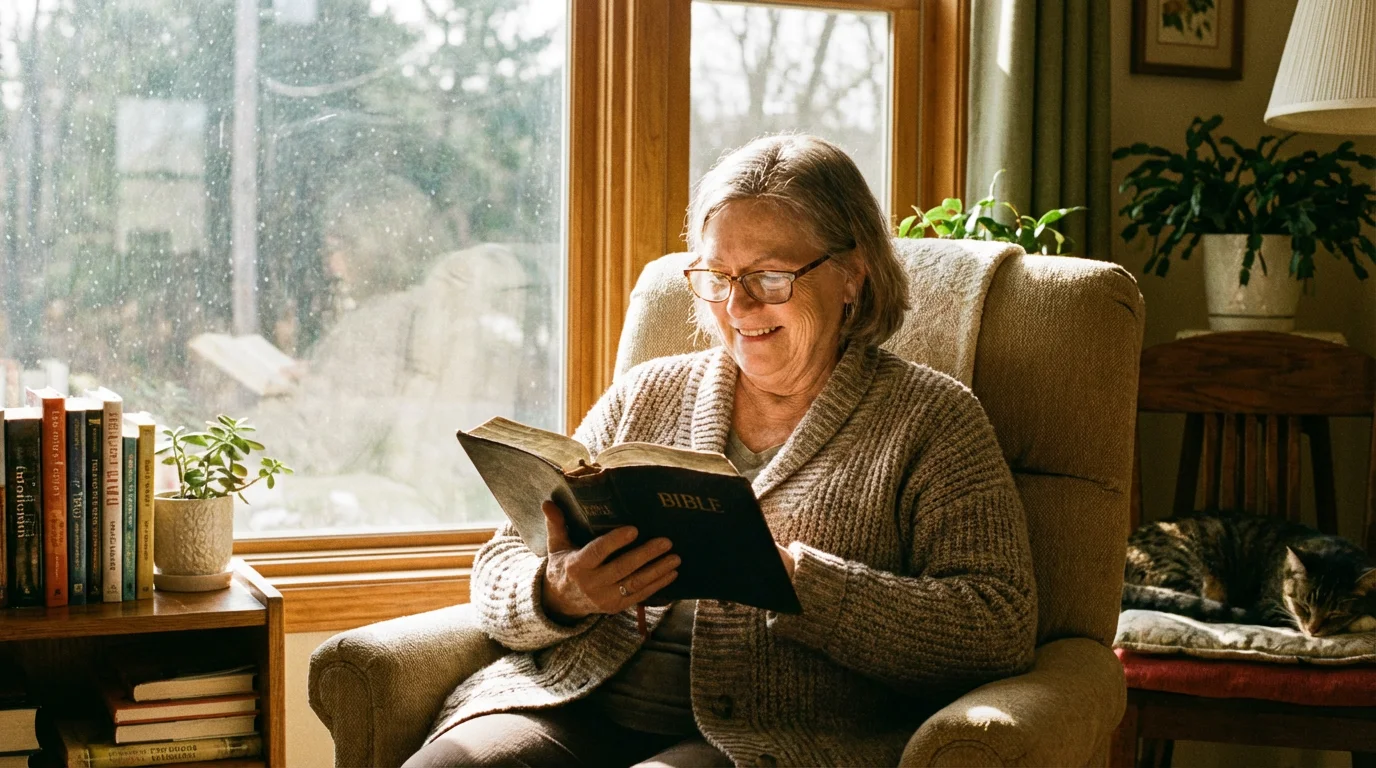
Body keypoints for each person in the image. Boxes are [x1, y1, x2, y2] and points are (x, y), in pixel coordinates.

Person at [404, 134, 1037, 767]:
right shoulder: (650, 392)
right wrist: (559, 591)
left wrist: (799, 583)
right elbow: (498, 564)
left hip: (759, 742)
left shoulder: (932, 419)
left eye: (769, 276)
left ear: (853, 274)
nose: (738, 306)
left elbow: (998, 627)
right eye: (718, 277)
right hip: (571, 706)